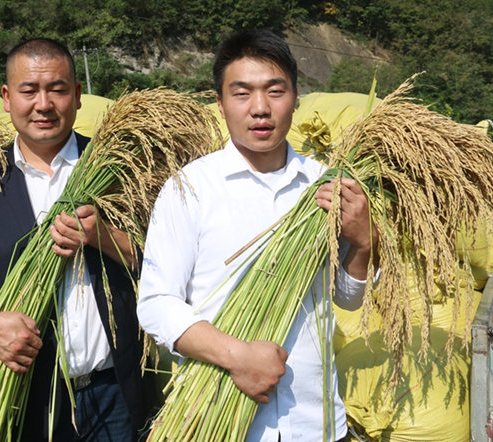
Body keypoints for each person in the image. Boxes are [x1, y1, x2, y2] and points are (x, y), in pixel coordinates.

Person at [137, 29, 377, 441]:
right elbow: (157, 304)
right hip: (219, 421)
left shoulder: (326, 185)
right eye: (242, 93)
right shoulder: (189, 188)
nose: (260, 108)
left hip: (315, 422)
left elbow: (346, 298)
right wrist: (238, 357)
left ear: (296, 96)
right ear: (220, 102)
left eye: (275, 91)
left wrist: (363, 242)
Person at [0, 38, 152, 441]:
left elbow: (159, 263)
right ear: (7, 97)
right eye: (29, 90)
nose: (44, 104)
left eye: (58, 89)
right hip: (15, 391)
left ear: (78, 96)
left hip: (111, 394)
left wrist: (102, 236)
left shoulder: (120, 172)